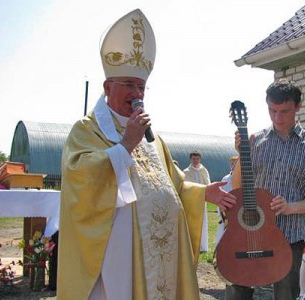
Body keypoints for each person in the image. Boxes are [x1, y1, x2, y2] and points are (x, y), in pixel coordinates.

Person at [56, 9, 236, 300]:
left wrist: (204, 193)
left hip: (158, 249)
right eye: (128, 84)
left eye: (141, 86)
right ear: (107, 87)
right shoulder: (87, 130)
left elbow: (174, 183)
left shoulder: (152, 138)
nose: (136, 93)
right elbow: (81, 177)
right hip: (119, 250)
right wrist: (124, 146)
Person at [228, 78, 305, 300]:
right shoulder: (256, 141)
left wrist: (290, 207)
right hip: (250, 232)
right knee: (238, 290)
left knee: (285, 294)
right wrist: (241, 153)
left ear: (298, 107)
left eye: (284, 111)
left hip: (289, 237)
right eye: (272, 111)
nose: (278, 117)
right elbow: (237, 187)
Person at [183, 151, 211, 252]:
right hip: (191, 200)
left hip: (201, 200)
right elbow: (185, 186)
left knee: (202, 222)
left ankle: (202, 246)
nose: (195, 161)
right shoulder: (186, 172)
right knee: (191, 222)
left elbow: (208, 184)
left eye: (197, 159)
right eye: (194, 159)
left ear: (200, 159)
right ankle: (191, 245)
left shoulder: (204, 171)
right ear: (190, 159)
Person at [216, 156, 238, 245]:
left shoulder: (242, 177)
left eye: (235, 163)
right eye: (231, 163)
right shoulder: (225, 179)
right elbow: (220, 194)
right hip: (225, 210)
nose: (233, 165)